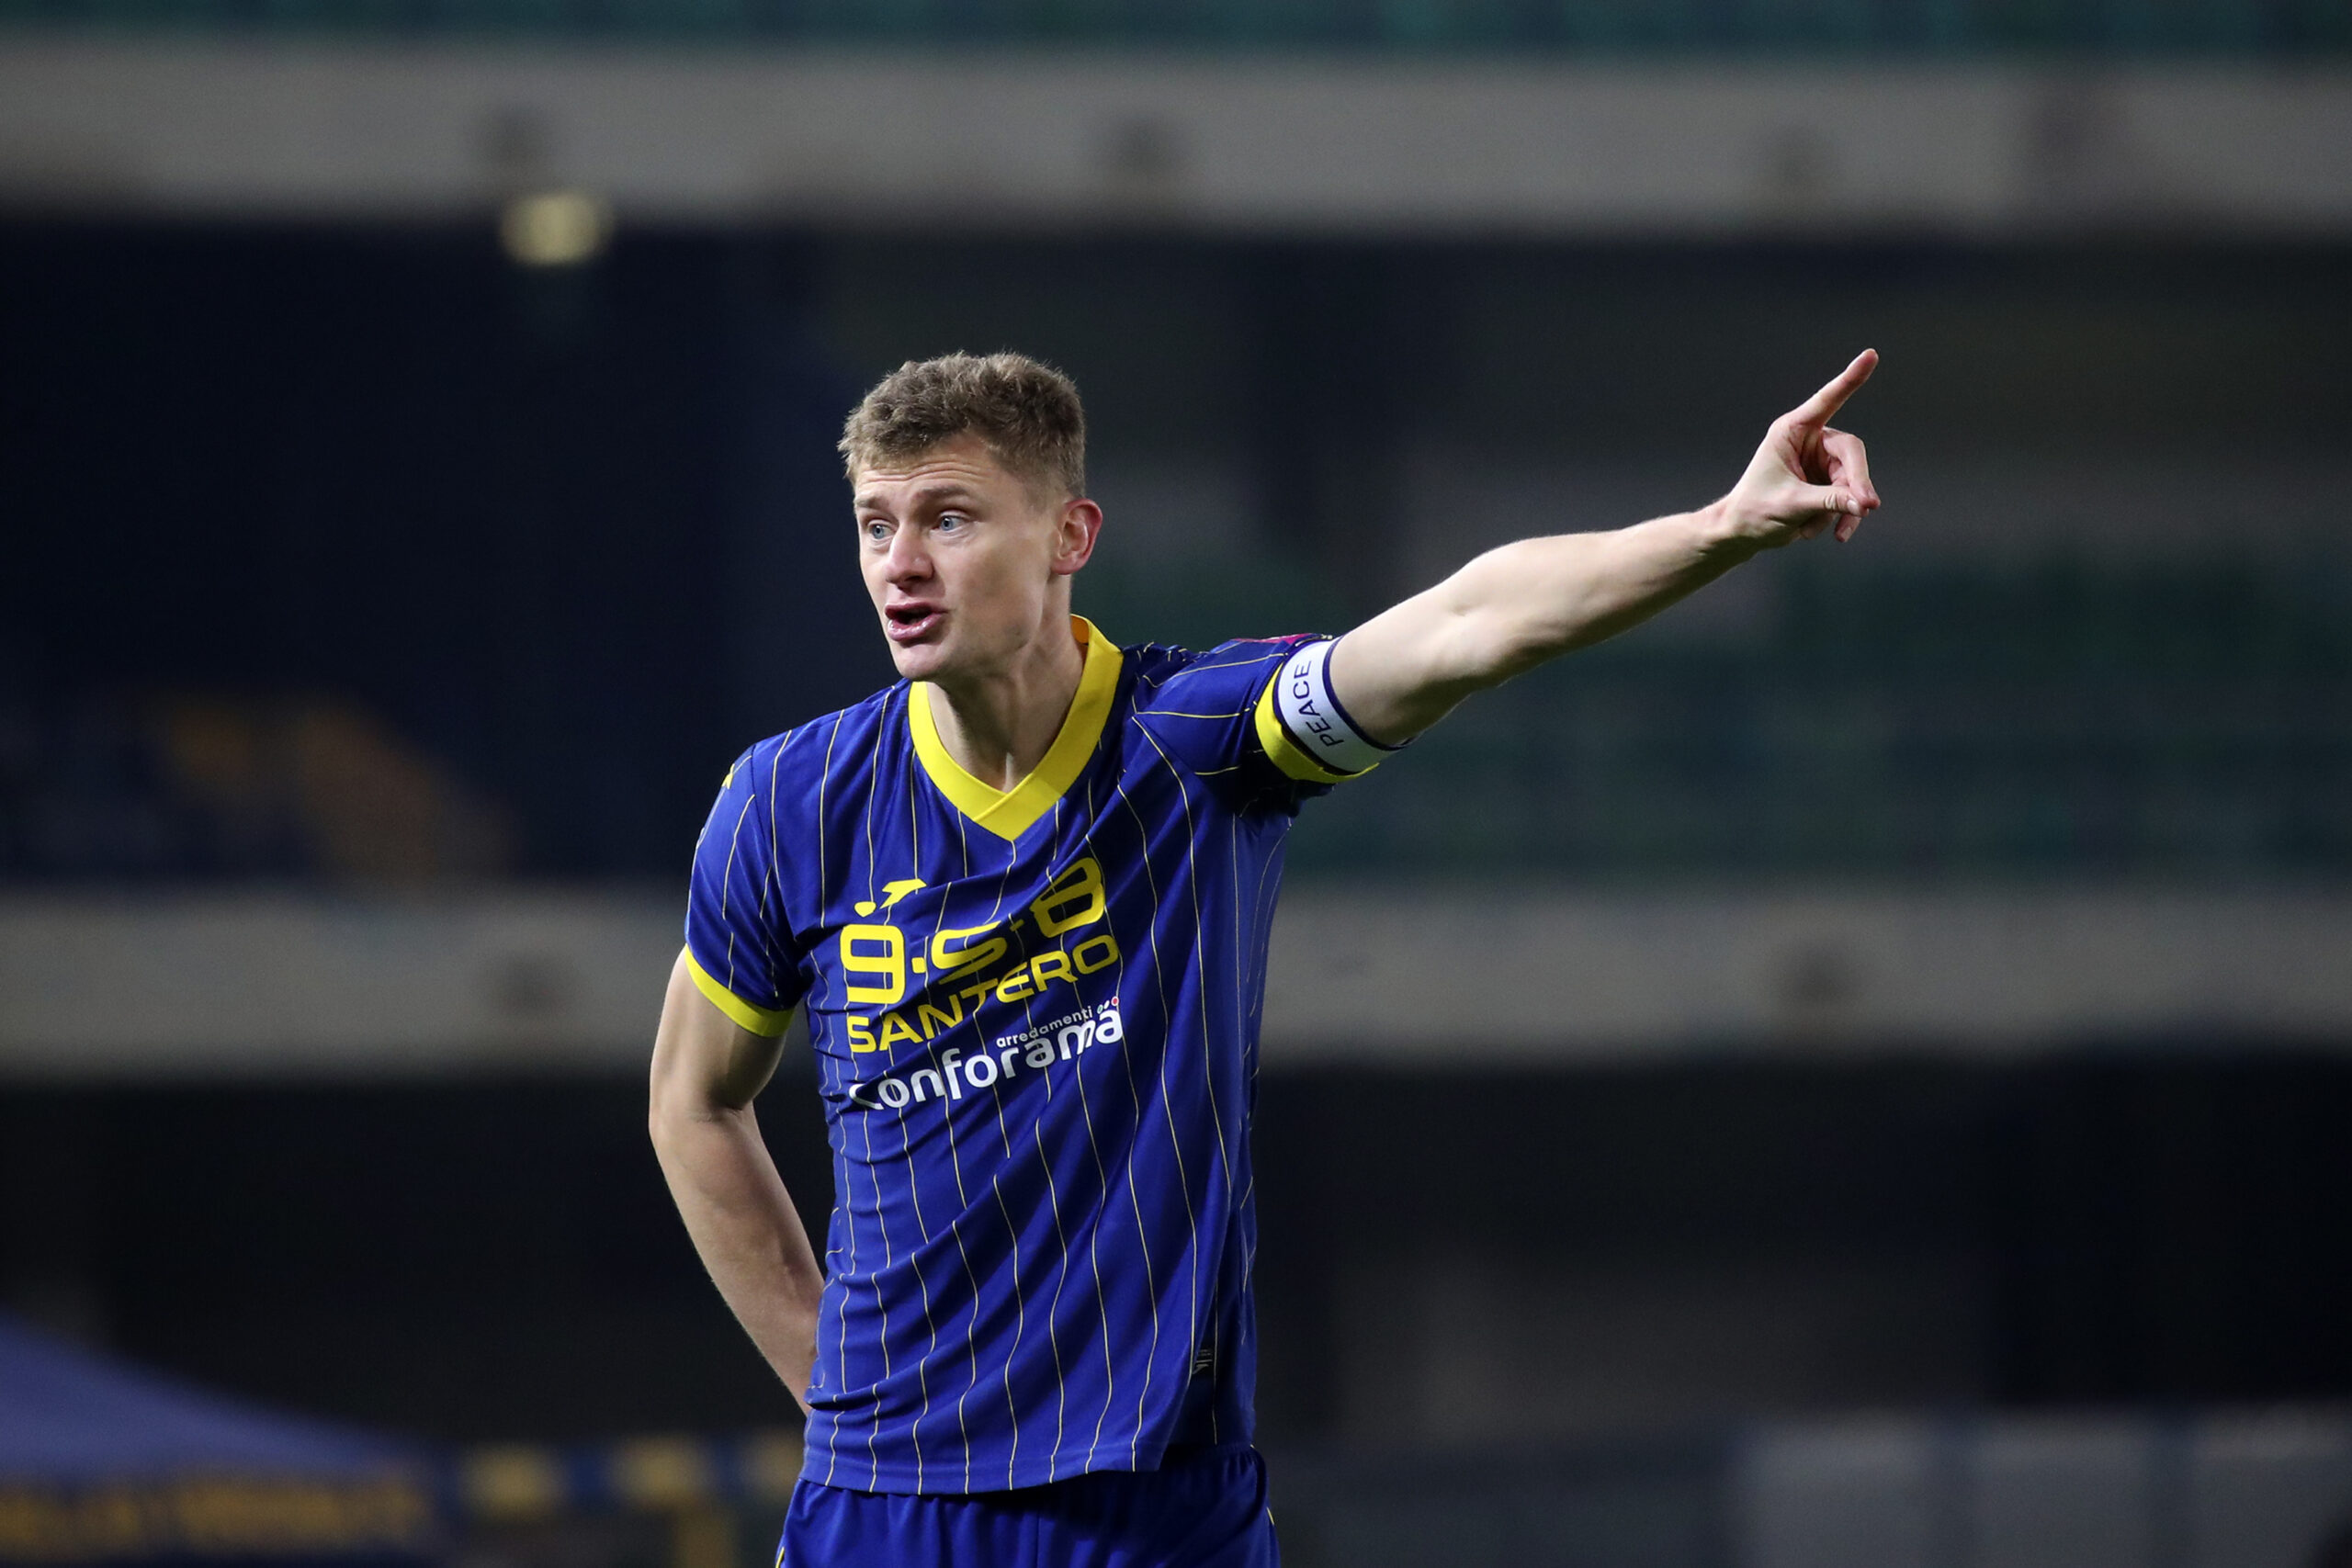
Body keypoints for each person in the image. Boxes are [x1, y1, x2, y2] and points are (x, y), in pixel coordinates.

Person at [647, 348, 1882, 1566]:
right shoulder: (788, 804)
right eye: (875, 526)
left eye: (950, 519)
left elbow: (1465, 623)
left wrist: (1725, 527)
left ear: (1071, 536)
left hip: (1156, 1506)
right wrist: (829, 1379)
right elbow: (693, 1102)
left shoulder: (1199, 743)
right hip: (887, 1507)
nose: (901, 565)